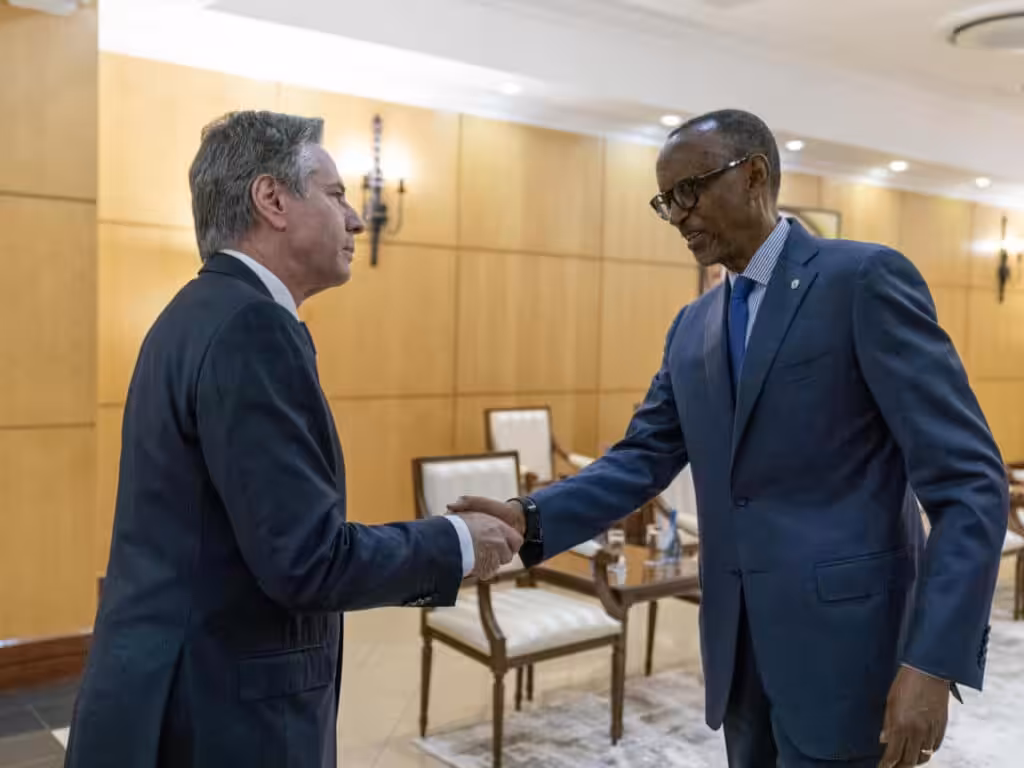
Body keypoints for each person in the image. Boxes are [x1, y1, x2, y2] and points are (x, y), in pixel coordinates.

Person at [449, 109, 1009, 768]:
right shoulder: (693, 326)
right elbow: (641, 458)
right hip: (738, 654)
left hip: (850, 653)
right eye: (666, 201)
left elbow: (969, 482)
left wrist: (934, 660)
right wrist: (530, 516)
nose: (677, 215)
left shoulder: (863, 280)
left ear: (754, 176)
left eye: (690, 190)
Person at [65, 111, 522, 768]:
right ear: (273, 200)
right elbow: (307, 561)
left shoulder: (196, 312)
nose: (356, 220)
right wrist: (456, 543)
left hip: (168, 692)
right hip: (218, 714)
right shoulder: (252, 329)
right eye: (336, 195)